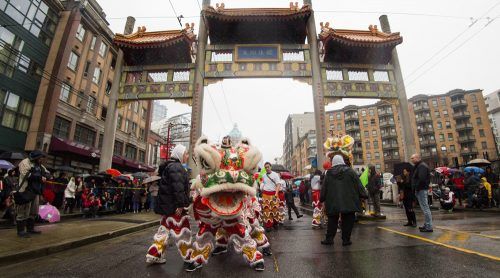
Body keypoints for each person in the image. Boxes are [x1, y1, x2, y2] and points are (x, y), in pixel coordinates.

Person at [145, 145, 199, 272]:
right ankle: (189, 256)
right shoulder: (177, 167)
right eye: (186, 154)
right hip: (175, 208)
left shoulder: (170, 166)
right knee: (183, 232)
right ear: (180, 154)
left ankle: (154, 254)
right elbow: (178, 188)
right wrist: (181, 205)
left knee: (163, 231)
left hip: (167, 207)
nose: (187, 156)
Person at [320, 155, 367, 246]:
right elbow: (358, 184)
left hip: (332, 200)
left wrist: (322, 198)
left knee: (332, 219)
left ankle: (329, 239)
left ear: (333, 162)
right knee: (348, 219)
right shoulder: (350, 171)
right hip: (349, 200)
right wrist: (364, 194)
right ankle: (346, 240)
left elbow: (324, 187)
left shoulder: (329, 173)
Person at [15, 150, 49, 238]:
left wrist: (45, 176)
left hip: (36, 191)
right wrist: (39, 177)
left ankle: (30, 228)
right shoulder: (25, 162)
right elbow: (26, 175)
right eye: (41, 158)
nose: (42, 160)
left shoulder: (39, 165)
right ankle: (21, 231)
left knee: (33, 212)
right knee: (23, 211)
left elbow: (47, 173)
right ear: (37, 157)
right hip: (26, 191)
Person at [410, 153, 433, 233]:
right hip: (421, 189)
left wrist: (416, 187)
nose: (411, 160)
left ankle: (429, 226)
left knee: (425, 208)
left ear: (418, 158)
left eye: (413, 158)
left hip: (421, 189)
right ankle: (427, 225)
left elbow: (421, 179)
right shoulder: (419, 166)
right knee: (424, 208)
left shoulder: (421, 166)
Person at [260, 161, 284, 232]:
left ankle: (275, 223)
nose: (267, 168)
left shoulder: (275, 175)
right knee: (266, 210)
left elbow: (278, 184)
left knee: (275, 209)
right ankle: (268, 225)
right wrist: (261, 187)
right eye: (266, 167)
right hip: (265, 194)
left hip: (273, 194)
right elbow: (263, 183)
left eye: (268, 167)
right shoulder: (264, 175)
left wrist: (276, 194)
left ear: (271, 167)